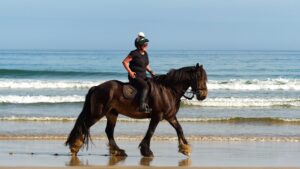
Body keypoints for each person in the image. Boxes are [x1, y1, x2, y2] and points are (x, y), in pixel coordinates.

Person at [122, 33, 155, 113]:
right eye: (144, 44)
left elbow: (145, 65)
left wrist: (151, 72)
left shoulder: (145, 54)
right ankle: (142, 106)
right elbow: (125, 62)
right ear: (139, 45)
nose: (146, 45)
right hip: (135, 77)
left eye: (146, 44)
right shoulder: (134, 53)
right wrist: (130, 72)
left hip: (143, 76)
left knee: (153, 84)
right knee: (145, 86)